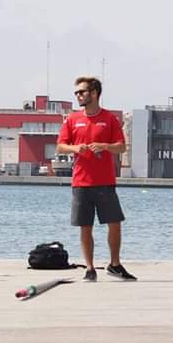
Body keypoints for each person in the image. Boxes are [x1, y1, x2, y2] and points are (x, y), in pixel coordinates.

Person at [56, 76, 134, 282]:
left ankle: (115, 265)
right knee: (85, 226)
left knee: (115, 223)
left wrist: (104, 146)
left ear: (94, 93)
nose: (79, 96)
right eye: (77, 93)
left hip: (105, 181)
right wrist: (75, 148)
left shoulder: (109, 119)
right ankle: (90, 268)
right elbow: (60, 146)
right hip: (81, 182)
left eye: (82, 92)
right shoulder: (72, 119)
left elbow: (121, 146)